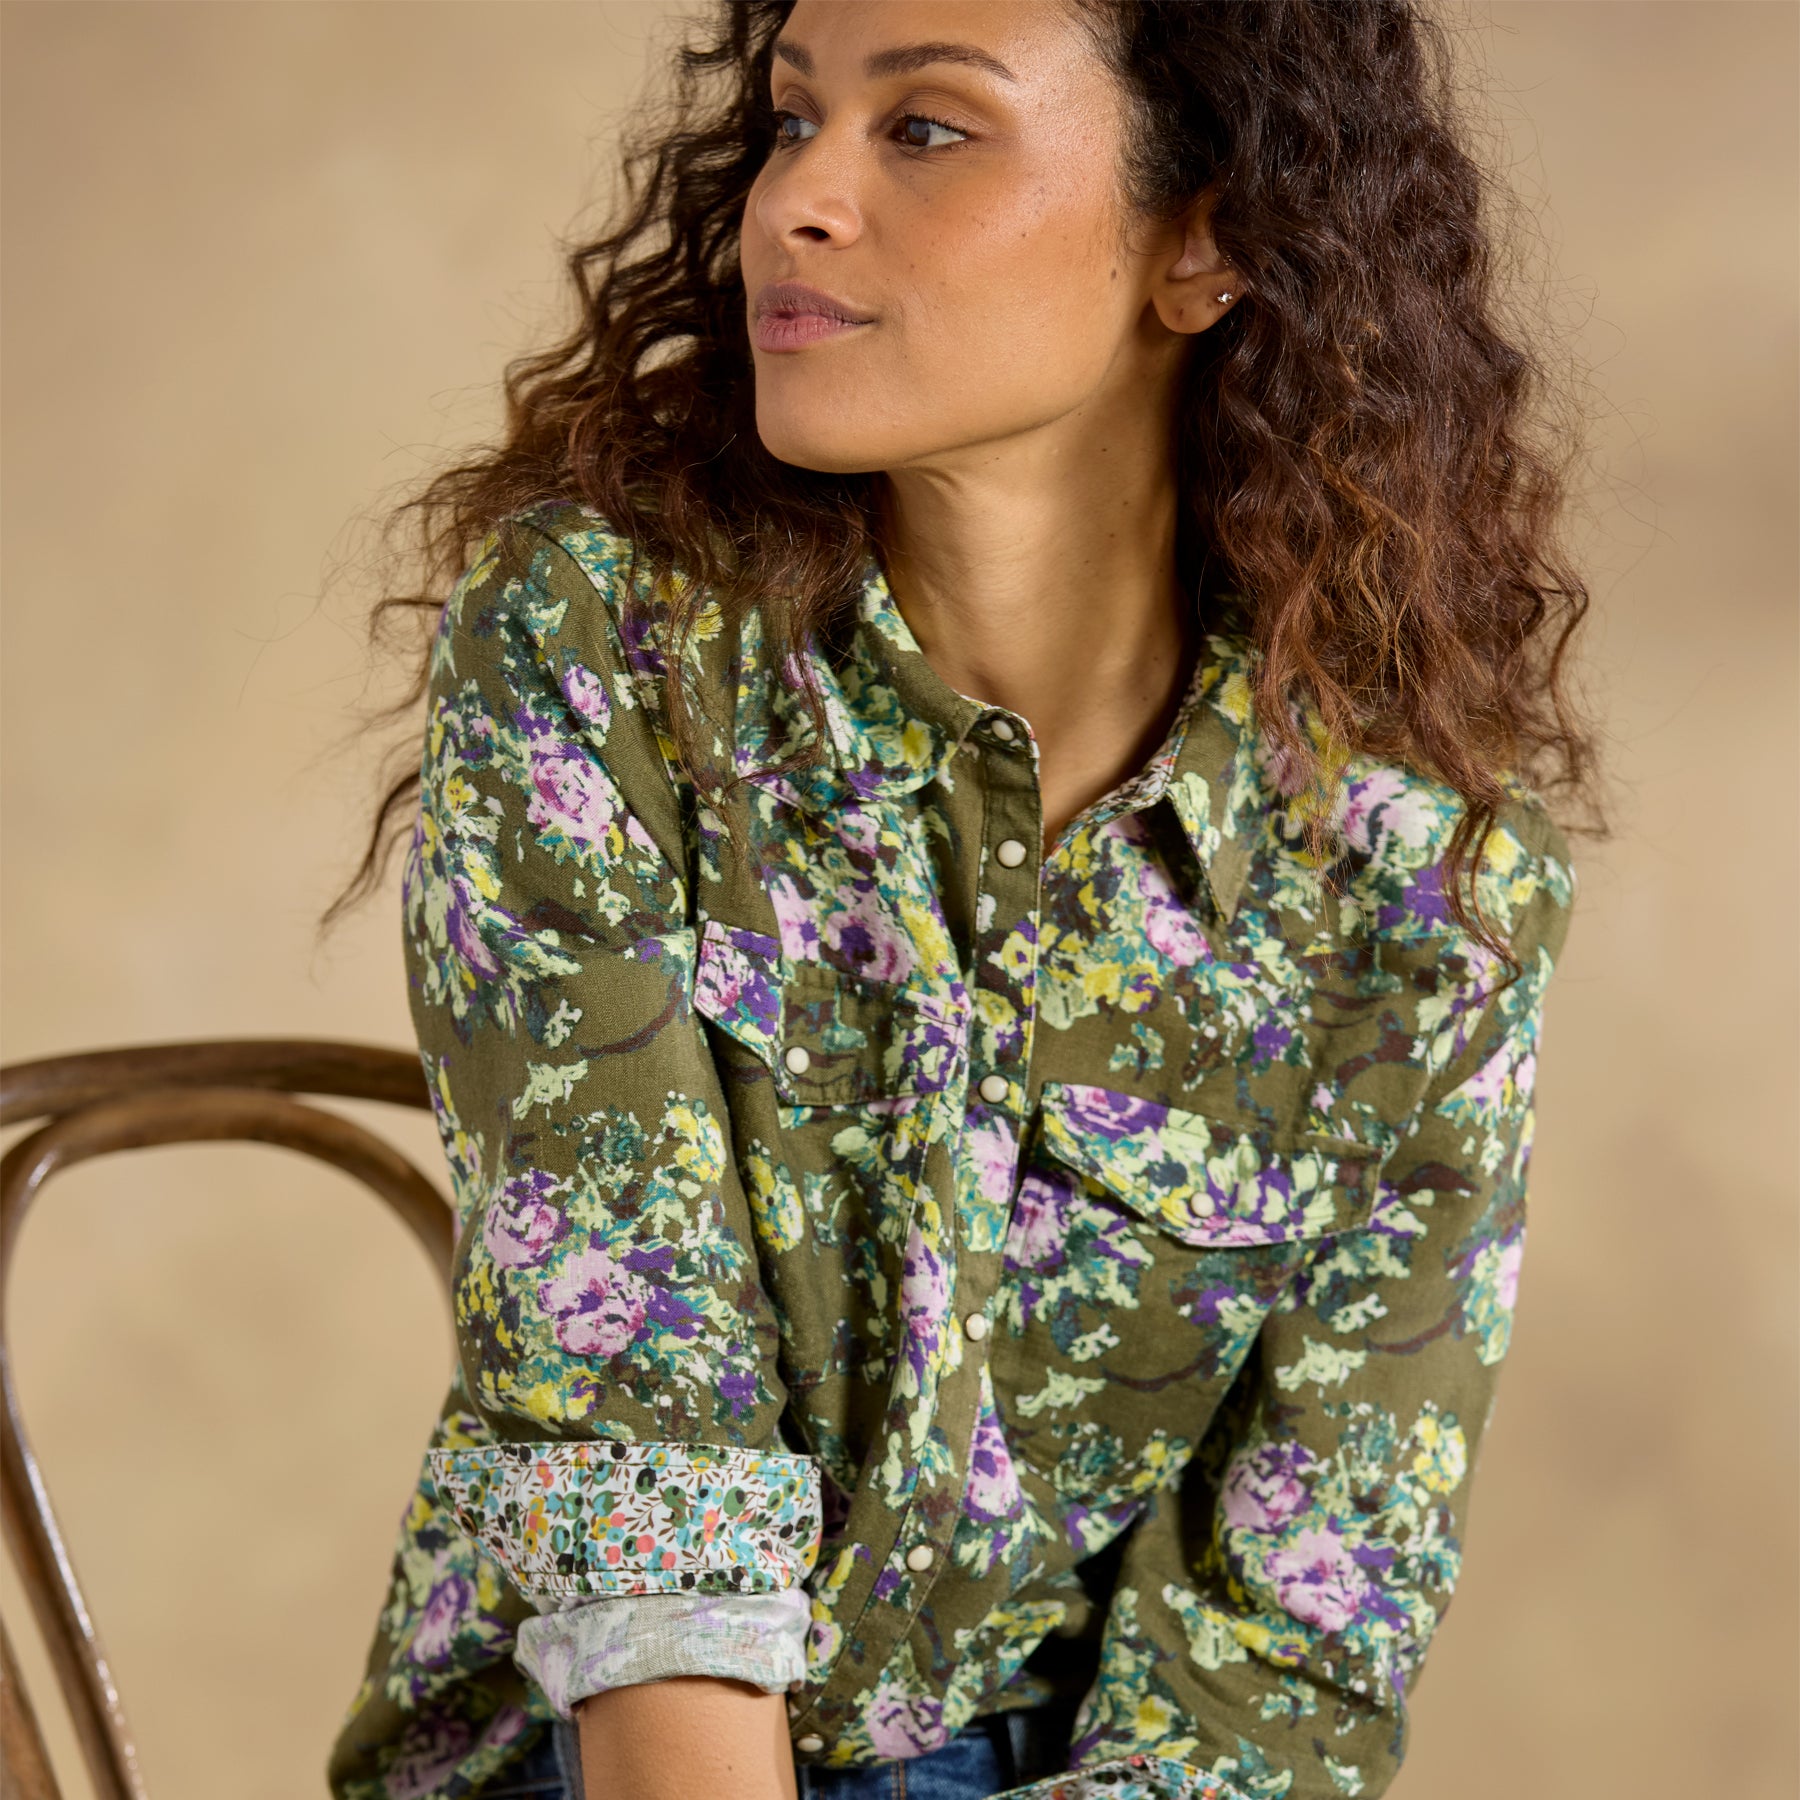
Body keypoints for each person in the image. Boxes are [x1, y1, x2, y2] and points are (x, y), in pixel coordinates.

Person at [322, 2, 1598, 1796]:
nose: (794, 202)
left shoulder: (1420, 876)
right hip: (600, 1745)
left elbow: (1293, 1641)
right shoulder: (599, 643)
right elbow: (636, 1434)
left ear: (1209, 238)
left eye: (924, 128)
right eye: (792, 120)